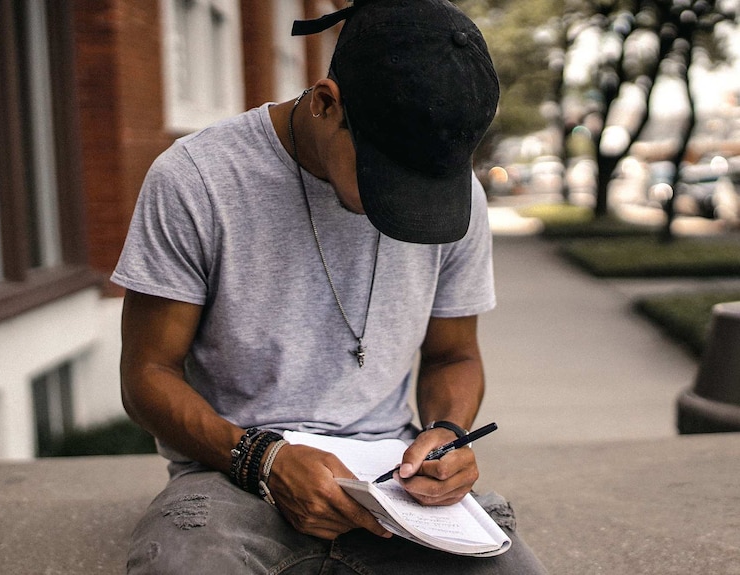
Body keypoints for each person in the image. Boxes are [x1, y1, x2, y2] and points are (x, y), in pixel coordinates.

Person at [113, 0, 547, 573]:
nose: (401, 209)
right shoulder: (197, 179)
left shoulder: (461, 199)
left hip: (394, 485)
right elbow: (147, 375)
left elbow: (454, 353)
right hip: (232, 472)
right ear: (325, 103)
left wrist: (448, 434)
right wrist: (261, 459)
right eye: (384, 179)